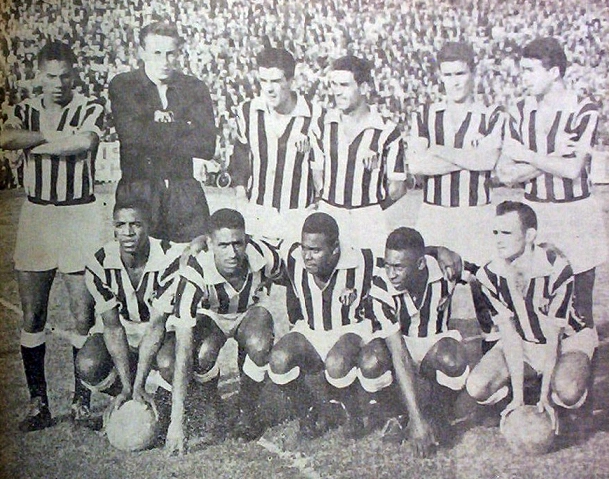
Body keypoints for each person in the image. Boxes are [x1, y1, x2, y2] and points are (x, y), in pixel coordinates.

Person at [268, 214, 440, 456]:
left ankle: (353, 413)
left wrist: (438, 251)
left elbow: (403, 256)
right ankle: (308, 411)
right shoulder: (293, 257)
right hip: (310, 330)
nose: (307, 256)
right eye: (305, 248)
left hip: (351, 330)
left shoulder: (363, 260)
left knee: (336, 363)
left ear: (335, 248)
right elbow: (254, 245)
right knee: (278, 360)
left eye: (316, 250)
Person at [0, 40, 104, 431]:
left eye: (64, 76)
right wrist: (52, 140)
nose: (57, 84)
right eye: (50, 76)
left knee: (83, 314)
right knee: (33, 315)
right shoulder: (25, 109)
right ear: (39, 76)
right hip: (37, 214)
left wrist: (37, 140)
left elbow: (85, 142)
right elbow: (6, 137)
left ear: (74, 75)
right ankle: (38, 403)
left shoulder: (89, 107)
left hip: (80, 213)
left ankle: (80, 401)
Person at [132, 209, 283, 454]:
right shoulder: (193, 272)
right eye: (223, 245)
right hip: (210, 316)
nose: (233, 253)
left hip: (248, 312)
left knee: (259, 342)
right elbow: (182, 347)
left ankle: (247, 409)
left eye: (238, 243)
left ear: (246, 240)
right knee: (197, 354)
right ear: (211, 244)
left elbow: (296, 274)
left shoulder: (262, 254)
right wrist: (176, 424)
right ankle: (211, 402)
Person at [496, 37, 607, 332]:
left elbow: (572, 169)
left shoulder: (584, 109)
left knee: (581, 309)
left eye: (530, 70)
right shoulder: (519, 111)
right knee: (535, 301)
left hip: (577, 213)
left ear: (554, 71)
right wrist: (551, 156)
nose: (523, 78)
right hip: (534, 213)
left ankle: (582, 370)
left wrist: (529, 156)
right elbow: (506, 174)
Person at [407, 42, 504, 350]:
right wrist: (467, 155)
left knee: (488, 292)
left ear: (473, 73)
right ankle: (432, 364)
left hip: (476, 213)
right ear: (440, 76)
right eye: (448, 74)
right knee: (430, 291)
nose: (455, 81)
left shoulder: (491, 115)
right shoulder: (425, 115)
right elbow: (416, 165)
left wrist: (435, 150)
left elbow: (487, 162)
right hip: (435, 213)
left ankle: (498, 361)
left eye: (461, 73)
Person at [465, 201, 596, 429]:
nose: (498, 239)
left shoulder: (557, 268)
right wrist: (518, 399)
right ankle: (522, 390)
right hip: (524, 342)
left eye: (506, 233)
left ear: (530, 235)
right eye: (495, 232)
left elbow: (554, 337)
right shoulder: (489, 275)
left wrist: (545, 398)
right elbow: (510, 338)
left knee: (568, 390)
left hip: (567, 341)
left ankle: (562, 394)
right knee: (477, 387)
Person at [109, 21, 217, 243]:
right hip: (139, 187)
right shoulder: (124, 85)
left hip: (183, 188)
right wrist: (181, 126)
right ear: (142, 52)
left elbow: (206, 145)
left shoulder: (194, 87)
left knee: (191, 261)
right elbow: (132, 139)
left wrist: (154, 124)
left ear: (179, 53)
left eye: (170, 54)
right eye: (157, 53)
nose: (164, 62)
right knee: (140, 263)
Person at [75, 200, 181, 427]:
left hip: (159, 331)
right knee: (87, 364)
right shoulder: (99, 263)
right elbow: (112, 328)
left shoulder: (168, 258)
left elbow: (156, 326)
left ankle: (159, 399)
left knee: (169, 363)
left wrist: (140, 384)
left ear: (149, 226)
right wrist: (126, 387)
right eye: (121, 225)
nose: (128, 232)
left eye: (136, 225)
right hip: (123, 328)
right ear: (113, 227)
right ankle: (126, 394)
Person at [362, 227, 469, 445]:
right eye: (388, 265)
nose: (391, 274)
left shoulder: (445, 271)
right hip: (399, 344)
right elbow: (398, 351)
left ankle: (439, 413)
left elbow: (487, 276)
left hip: (434, 343)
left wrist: (441, 251)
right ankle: (397, 415)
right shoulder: (381, 287)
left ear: (421, 264)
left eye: (399, 267)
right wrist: (416, 419)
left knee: (454, 359)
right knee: (370, 362)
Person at [313, 55, 407, 254]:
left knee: (371, 276)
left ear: (364, 88)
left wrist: (370, 209)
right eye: (334, 85)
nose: (337, 92)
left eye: (344, 85)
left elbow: (398, 187)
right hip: (330, 213)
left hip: (369, 219)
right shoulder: (323, 125)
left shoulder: (387, 130)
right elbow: (317, 172)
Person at [229, 47, 323, 245]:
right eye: (264, 81)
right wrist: (241, 196)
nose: (269, 88)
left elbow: (325, 168)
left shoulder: (315, 115)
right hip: (257, 214)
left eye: (276, 81)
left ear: (290, 81)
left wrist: (316, 205)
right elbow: (239, 158)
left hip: (297, 217)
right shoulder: (248, 111)